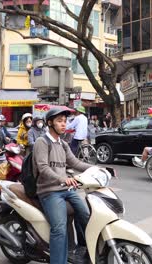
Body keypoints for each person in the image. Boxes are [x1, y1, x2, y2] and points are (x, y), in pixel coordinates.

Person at [33, 107, 91, 264]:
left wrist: (97, 169)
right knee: (59, 229)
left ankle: (82, 250)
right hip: (49, 191)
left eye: (65, 121)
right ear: (50, 123)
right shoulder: (42, 142)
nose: (64, 124)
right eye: (59, 121)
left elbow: (75, 162)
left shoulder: (63, 144)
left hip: (66, 190)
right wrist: (62, 179)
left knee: (86, 215)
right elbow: (43, 168)